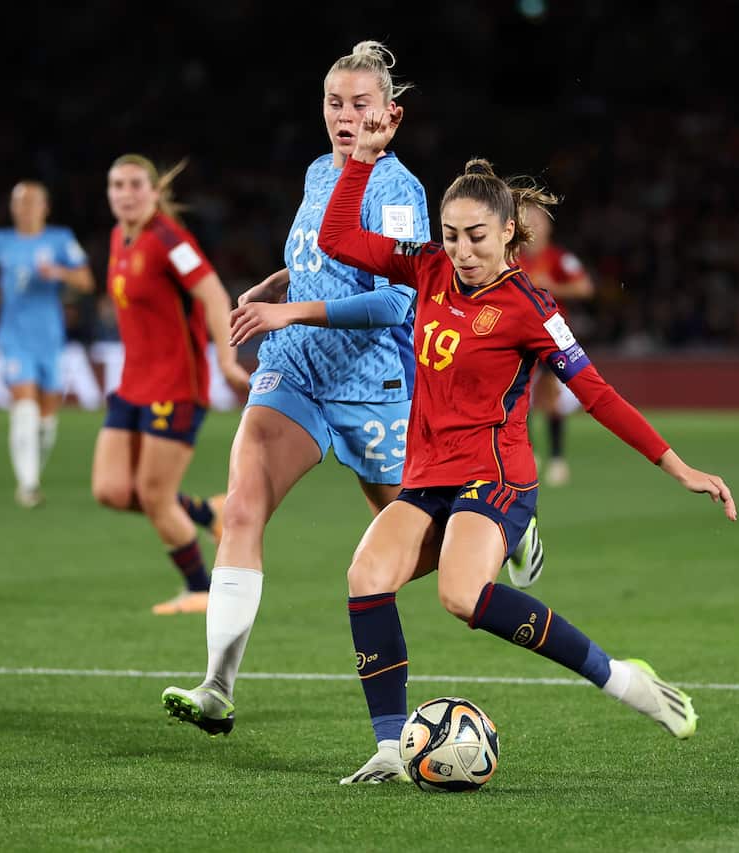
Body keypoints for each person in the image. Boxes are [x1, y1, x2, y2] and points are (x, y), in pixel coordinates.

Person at [314, 107, 737, 784]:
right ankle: (391, 747)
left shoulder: (531, 307)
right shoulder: (425, 270)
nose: (461, 248)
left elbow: (596, 392)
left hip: (495, 474)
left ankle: (620, 677)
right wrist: (360, 157)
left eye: (476, 236)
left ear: (509, 232)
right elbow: (336, 238)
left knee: (460, 595)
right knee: (365, 577)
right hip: (428, 475)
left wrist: (676, 464)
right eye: (450, 235)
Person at [161, 40, 439, 735]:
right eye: (334, 103)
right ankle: (217, 687)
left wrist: (287, 307)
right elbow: (321, 261)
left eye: (359, 105)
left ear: (388, 113)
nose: (344, 116)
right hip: (295, 372)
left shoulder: (401, 193)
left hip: (372, 380)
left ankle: (504, 530)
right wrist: (278, 284)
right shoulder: (320, 172)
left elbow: (395, 305)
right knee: (245, 507)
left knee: (422, 546)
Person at [90, 155, 250, 615]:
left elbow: (214, 294)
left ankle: (200, 587)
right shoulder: (120, 237)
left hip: (175, 387)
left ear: (155, 191)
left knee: (154, 496)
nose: (125, 193)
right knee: (112, 490)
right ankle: (206, 513)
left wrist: (225, 356)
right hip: (132, 385)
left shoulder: (169, 240)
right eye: (117, 184)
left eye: (135, 184)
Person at [0, 181, 96, 508]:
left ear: (45, 207)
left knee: (46, 421)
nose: (24, 208)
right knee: (25, 407)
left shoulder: (60, 239)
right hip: (13, 337)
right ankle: (28, 485)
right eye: (19, 202)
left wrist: (59, 272)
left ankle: (32, 475)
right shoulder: (1, 241)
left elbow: (87, 281)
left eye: (31, 202)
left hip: (50, 339)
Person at [517, 202, 596, 487]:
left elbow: (585, 286)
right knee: (518, 397)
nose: (533, 226)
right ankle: (528, 454)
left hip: (552, 337)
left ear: (548, 226)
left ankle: (557, 459)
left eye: (538, 220)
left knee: (551, 398)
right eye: (528, 220)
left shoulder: (559, 258)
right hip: (520, 338)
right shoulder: (512, 258)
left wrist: (551, 285)